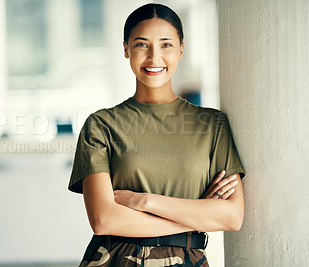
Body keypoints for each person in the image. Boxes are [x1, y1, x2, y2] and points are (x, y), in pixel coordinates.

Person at [68, 3, 245, 266]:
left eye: (166, 45)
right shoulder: (101, 125)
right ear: (126, 49)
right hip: (115, 259)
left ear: (181, 50)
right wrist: (195, 216)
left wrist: (143, 201)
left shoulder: (212, 124)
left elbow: (231, 217)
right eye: (142, 45)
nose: (154, 58)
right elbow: (104, 220)